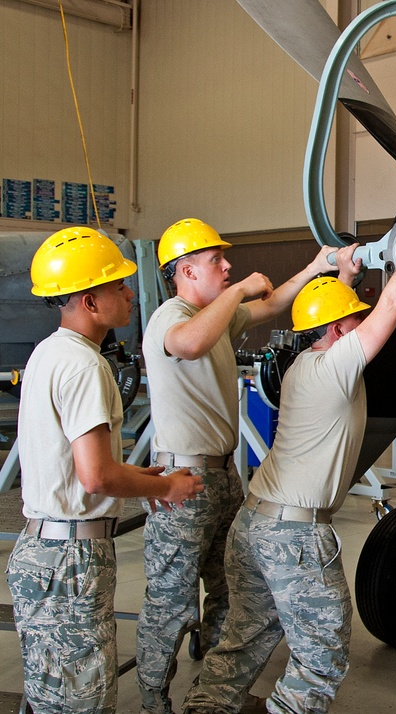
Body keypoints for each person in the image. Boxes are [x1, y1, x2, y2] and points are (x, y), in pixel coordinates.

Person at [181, 199, 396, 713]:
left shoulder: (304, 363)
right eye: (354, 319)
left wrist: (344, 276)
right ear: (338, 331)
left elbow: (336, 315)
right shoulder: (340, 367)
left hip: (253, 523)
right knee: (322, 657)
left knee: (241, 643)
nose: (363, 325)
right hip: (294, 537)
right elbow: (391, 308)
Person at [137, 217, 336, 713]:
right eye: (215, 260)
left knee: (228, 591)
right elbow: (189, 343)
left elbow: (272, 303)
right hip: (183, 480)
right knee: (170, 603)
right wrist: (240, 289)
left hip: (222, 476)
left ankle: (208, 696)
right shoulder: (170, 317)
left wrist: (317, 266)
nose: (227, 267)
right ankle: (153, 704)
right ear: (186, 271)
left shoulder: (215, 316)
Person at [7, 228, 203, 713]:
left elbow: (76, 466)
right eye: (119, 286)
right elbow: (95, 476)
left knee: (52, 695)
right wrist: (167, 486)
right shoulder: (84, 366)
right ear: (90, 301)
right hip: (71, 559)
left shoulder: (48, 352)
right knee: (83, 701)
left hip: (43, 550)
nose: (131, 294)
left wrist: (141, 480)